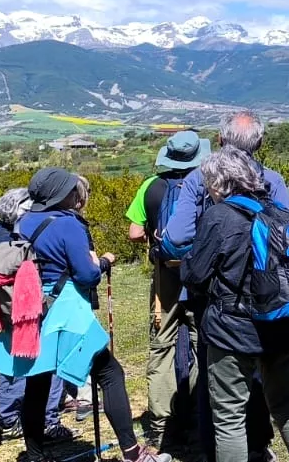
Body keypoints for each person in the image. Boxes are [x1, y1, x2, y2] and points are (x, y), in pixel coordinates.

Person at [14, 169, 169, 462]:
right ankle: (133, 452)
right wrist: (104, 263)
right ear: (64, 194)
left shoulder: (23, 222)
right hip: (66, 311)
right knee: (110, 374)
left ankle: (34, 455)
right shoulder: (68, 225)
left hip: (32, 310)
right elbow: (86, 275)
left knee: (37, 382)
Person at [165, 112, 289, 461]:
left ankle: (213, 450)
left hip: (214, 298)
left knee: (215, 380)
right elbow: (287, 231)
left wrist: (205, 248)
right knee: (264, 375)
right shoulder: (273, 180)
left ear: (219, 141)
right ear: (260, 144)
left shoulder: (198, 179)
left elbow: (176, 237)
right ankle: (259, 444)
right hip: (268, 294)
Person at [184, 148, 289, 462]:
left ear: (217, 185)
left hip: (232, 330)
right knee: (286, 404)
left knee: (229, 417)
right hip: (280, 324)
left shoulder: (219, 216)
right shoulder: (281, 212)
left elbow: (194, 274)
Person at [0, 188, 71, 441]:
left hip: (10, 309)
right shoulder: (9, 239)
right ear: (19, 210)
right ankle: (40, 420)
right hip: (21, 310)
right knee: (37, 361)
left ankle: (11, 418)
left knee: (15, 361)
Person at [125, 130, 207, 452]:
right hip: (200, 274)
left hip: (165, 278)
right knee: (203, 344)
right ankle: (202, 420)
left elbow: (133, 232)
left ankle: (162, 427)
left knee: (162, 346)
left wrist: (153, 233)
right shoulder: (205, 183)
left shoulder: (151, 186)